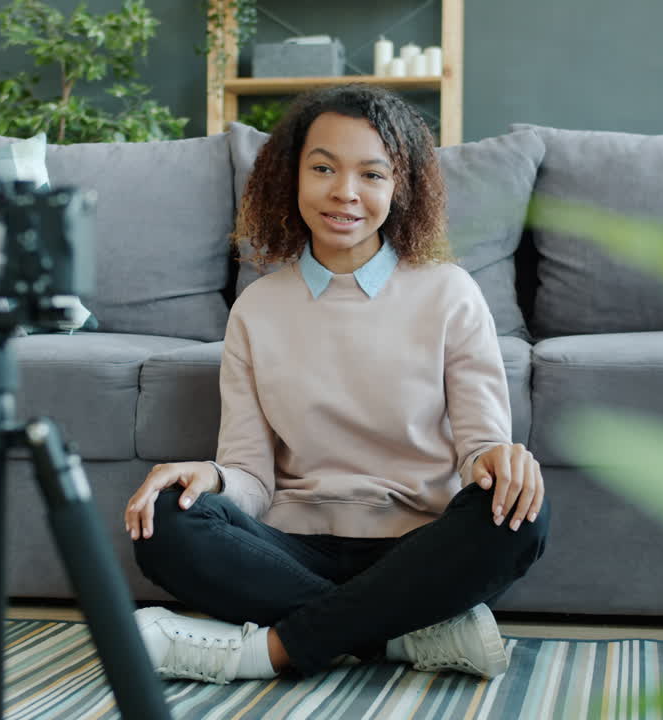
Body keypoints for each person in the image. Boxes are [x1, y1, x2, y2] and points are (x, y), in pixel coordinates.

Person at [123, 83, 550, 685]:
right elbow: (249, 474)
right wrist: (211, 476)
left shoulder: (449, 292)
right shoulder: (256, 309)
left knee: (520, 515)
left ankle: (263, 653)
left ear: (399, 188)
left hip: (416, 547)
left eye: (371, 175)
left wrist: (501, 460)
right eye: (323, 168)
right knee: (164, 517)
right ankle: (401, 636)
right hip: (291, 543)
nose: (345, 193)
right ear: (291, 176)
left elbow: (480, 449)